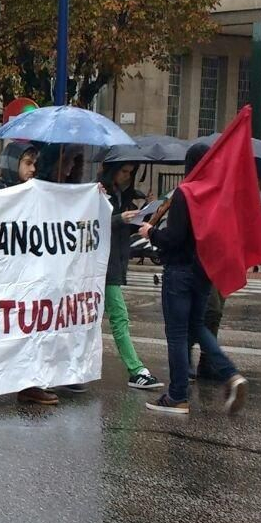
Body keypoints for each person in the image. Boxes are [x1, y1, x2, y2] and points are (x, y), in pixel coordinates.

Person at [140, 142, 248, 416]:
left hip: (179, 272)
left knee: (177, 334)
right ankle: (231, 373)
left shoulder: (186, 193)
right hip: (204, 272)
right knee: (197, 327)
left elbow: (174, 239)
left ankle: (177, 395)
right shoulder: (215, 195)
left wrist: (150, 233)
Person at [0, 141, 57, 406]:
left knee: (29, 329)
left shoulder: (35, 194)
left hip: (26, 278)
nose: (33, 169)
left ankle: (30, 383)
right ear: (12, 164)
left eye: (34, 163)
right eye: (27, 163)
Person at [101, 160, 162, 391]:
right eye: (123, 171)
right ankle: (135, 369)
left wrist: (144, 213)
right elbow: (91, 223)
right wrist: (120, 219)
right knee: (119, 316)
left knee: (110, 317)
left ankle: (135, 370)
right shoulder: (101, 191)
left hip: (114, 262)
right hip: (103, 264)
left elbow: (126, 229)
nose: (127, 176)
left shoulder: (121, 195)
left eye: (130, 172)